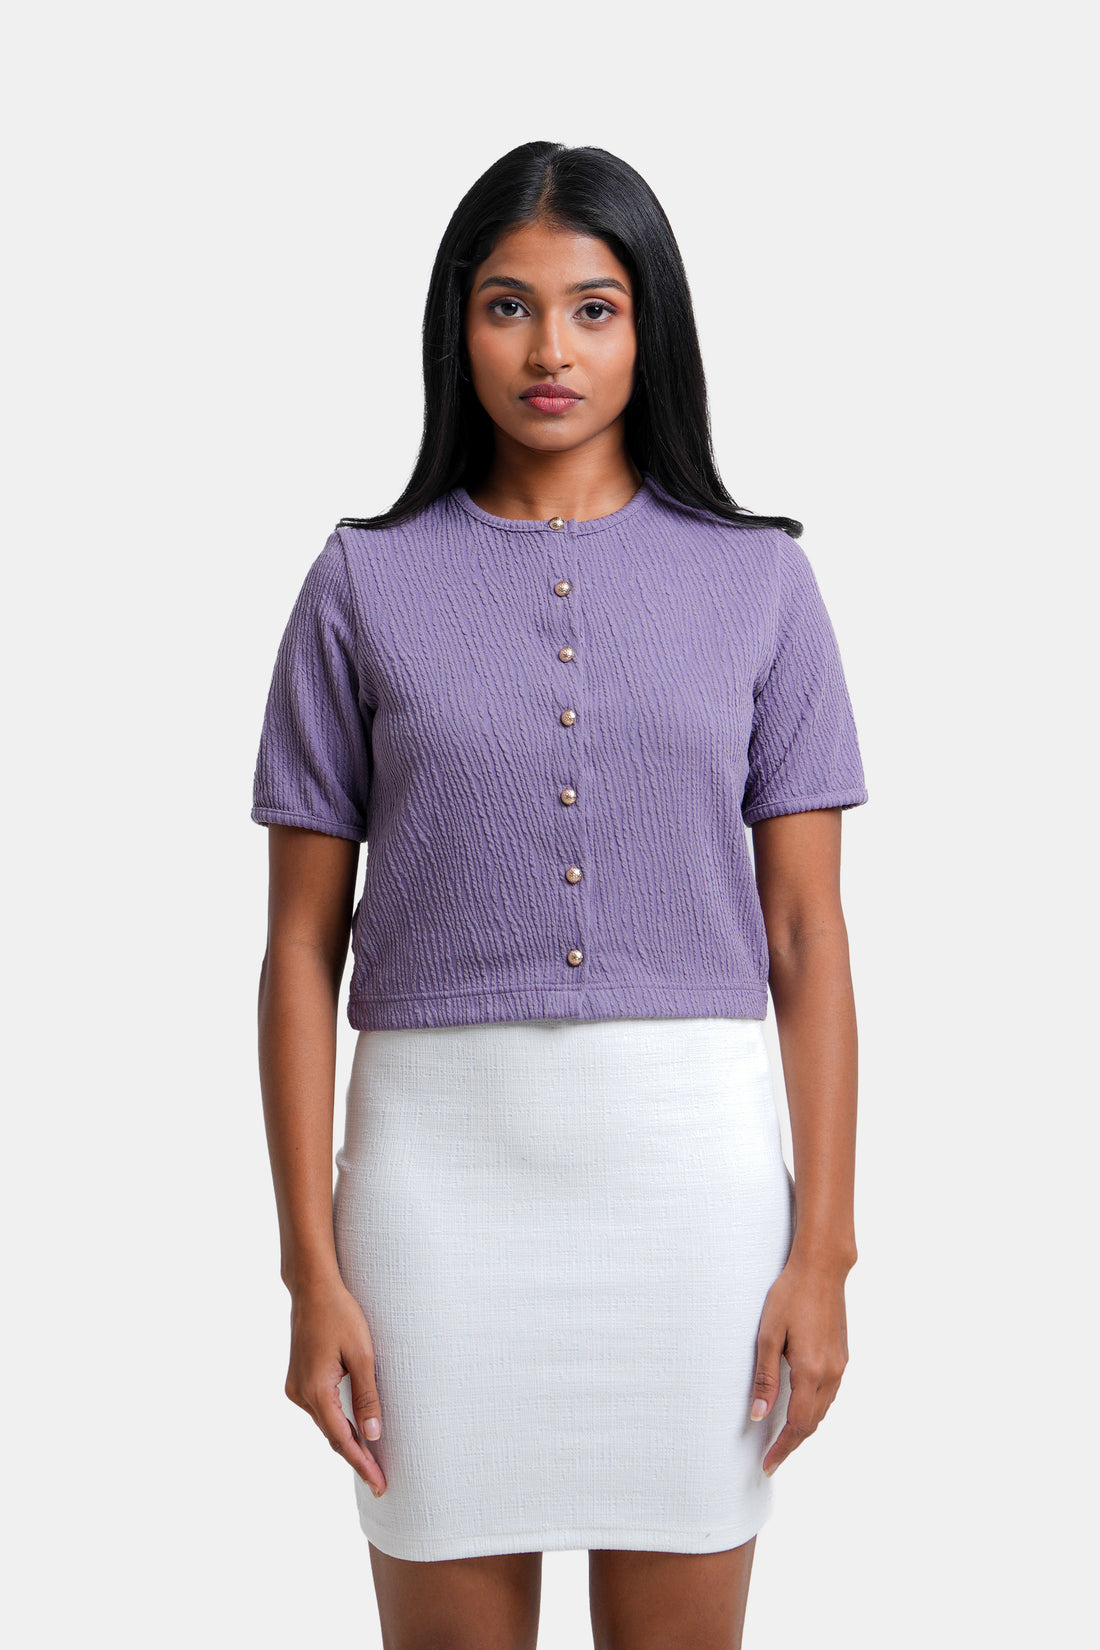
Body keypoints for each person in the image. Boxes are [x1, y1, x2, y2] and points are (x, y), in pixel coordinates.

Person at [252, 140, 869, 1650]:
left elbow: (807, 937)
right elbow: (296, 951)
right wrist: (309, 1268)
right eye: (508, 306)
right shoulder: (360, 582)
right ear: (455, 328)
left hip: (694, 1193)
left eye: (594, 308)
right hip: (433, 1196)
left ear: (651, 328)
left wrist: (824, 1253)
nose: (549, 350)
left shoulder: (760, 582)